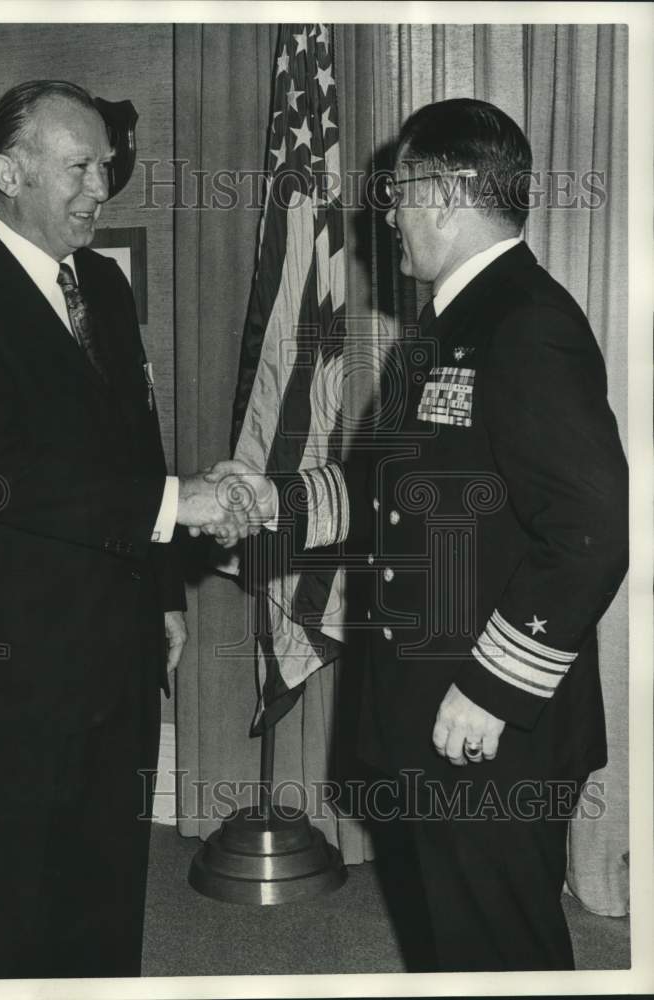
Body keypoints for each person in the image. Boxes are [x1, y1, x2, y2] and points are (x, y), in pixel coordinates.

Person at [209, 98, 628, 972]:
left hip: (488, 727)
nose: (387, 213)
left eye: (397, 192)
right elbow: (380, 492)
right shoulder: (441, 329)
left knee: (499, 950)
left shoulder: (528, 325)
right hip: (429, 714)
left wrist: (493, 690)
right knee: (447, 946)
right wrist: (265, 497)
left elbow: (589, 531)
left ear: (445, 193)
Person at [0, 79, 245, 979]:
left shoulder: (104, 292)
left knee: (107, 891)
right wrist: (174, 503)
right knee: (1, 913)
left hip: (116, 657)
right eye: (81, 166)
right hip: (4, 676)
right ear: (8, 172)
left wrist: (163, 596)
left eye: (107, 166)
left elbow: (135, 443)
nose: (101, 186)